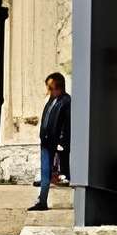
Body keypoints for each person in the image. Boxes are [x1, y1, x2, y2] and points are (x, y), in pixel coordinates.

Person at [32, 71, 73, 212]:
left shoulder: (66, 101)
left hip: (56, 142)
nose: (49, 90)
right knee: (45, 172)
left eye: (51, 87)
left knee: (57, 172)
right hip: (46, 140)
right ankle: (42, 201)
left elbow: (66, 123)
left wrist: (62, 141)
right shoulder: (52, 100)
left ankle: (44, 201)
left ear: (59, 87)